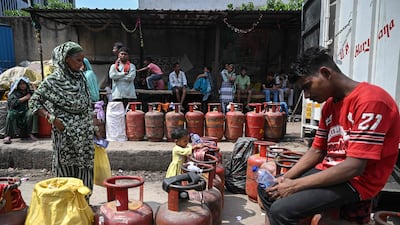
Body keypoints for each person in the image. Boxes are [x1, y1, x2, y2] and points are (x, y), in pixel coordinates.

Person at [257, 47, 400, 225]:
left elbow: (355, 167)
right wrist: (286, 178)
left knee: (281, 210)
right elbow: (317, 150)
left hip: (357, 180)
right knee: (268, 190)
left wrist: (294, 186)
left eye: (307, 87)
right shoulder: (330, 106)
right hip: (331, 169)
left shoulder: (371, 101)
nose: (307, 96)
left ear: (325, 73)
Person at [29, 41, 98, 193]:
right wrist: (52, 118)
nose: (81, 65)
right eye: (78, 60)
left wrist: (94, 126)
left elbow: (86, 103)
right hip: (65, 132)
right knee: (66, 168)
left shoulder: (81, 78)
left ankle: (83, 203)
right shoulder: (52, 81)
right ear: (66, 59)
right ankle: (66, 205)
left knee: (85, 167)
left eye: (82, 60)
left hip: (84, 133)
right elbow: (34, 102)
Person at [3, 77, 37, 144]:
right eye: (20, 84)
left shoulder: (29, 92)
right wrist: (24, 98)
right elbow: (12, 103)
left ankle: (30, 133)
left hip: (26, 111)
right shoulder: (14, 93)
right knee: (10, 115)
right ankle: (8, 136)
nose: (22, 85)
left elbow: (38, 96)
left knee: (31, 113)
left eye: (24, 84)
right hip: (16, 111)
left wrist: (34, 87)